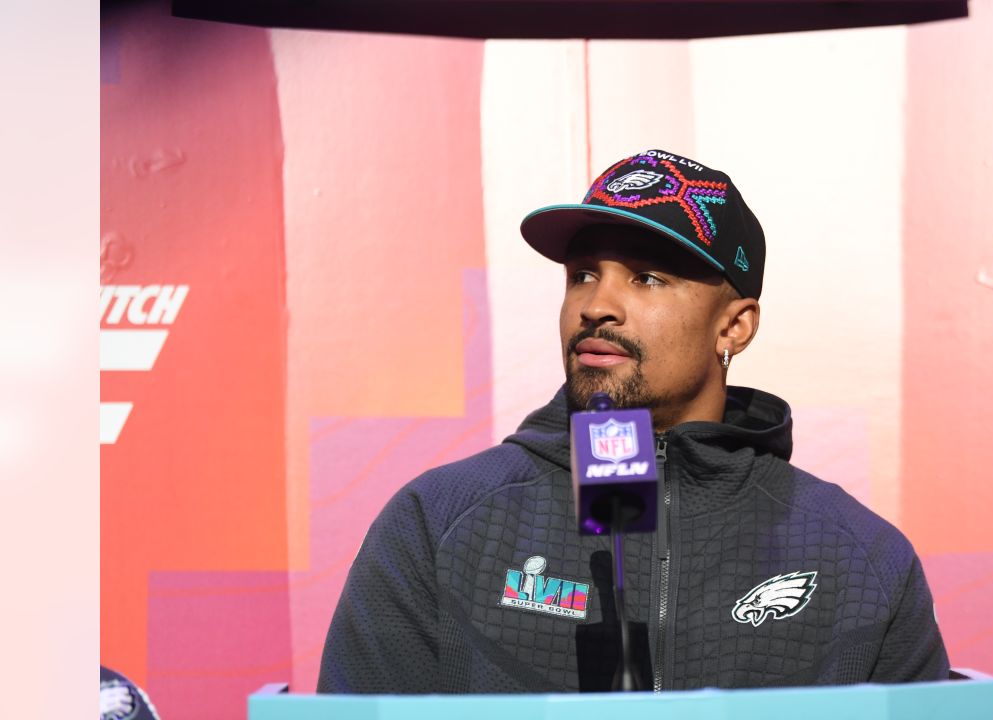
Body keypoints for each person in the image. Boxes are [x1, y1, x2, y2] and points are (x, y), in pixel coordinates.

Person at [317, 149, 949, 693]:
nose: (596, 306)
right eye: (583, 275)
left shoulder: (862, 558)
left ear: (735, 325)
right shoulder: (439, 521)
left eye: (647, 278)